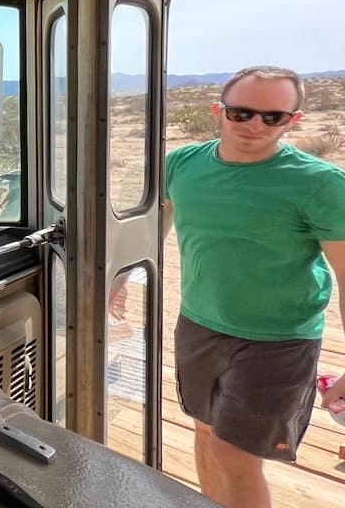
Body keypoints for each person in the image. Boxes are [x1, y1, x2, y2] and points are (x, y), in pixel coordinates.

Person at [113, 65, 345, 508]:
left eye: (273, 117)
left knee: (234, 454)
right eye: (242, 112)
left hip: (278, 340)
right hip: (199, 324)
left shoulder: (320, 185)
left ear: (293, 121)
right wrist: (120, 276)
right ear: (218, 112)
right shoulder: (182, 164)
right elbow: (152, 227)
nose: (255, 125)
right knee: (203, 431)